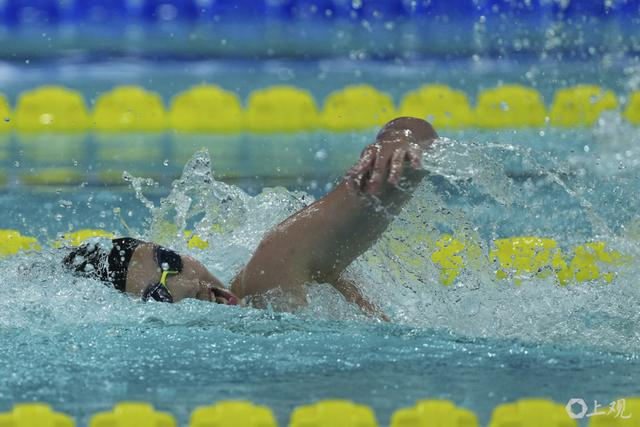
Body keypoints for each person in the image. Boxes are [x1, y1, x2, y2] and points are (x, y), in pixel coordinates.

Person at [63, 117, 438, 319]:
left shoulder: (268, 276)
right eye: (159, 294)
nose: (188, 284)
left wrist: (397, 140)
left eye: (170, 262)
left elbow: (415, 136)